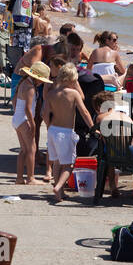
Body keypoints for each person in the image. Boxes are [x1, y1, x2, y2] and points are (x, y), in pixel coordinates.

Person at [44, 63, 94, 203]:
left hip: (53, 130)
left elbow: (45, 113)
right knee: (69, 164)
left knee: (57, 162)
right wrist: (92, 127)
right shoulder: (73, 93)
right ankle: (58, 186)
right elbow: (84, 112)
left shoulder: (51, 93)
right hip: (66, 132)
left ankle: (59, 190)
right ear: (73, 80)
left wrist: (49, 126)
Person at [11, 62, 50, 185]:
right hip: (24, 120)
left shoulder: (23, 82)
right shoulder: (31, 88)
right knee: (32, 149)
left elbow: (14, 101)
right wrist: (33, 125)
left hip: (17, 118)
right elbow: (28, 109)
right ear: (37, 78)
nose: (42, 83)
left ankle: (19, 178)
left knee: (23, 150)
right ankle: (30, 178)